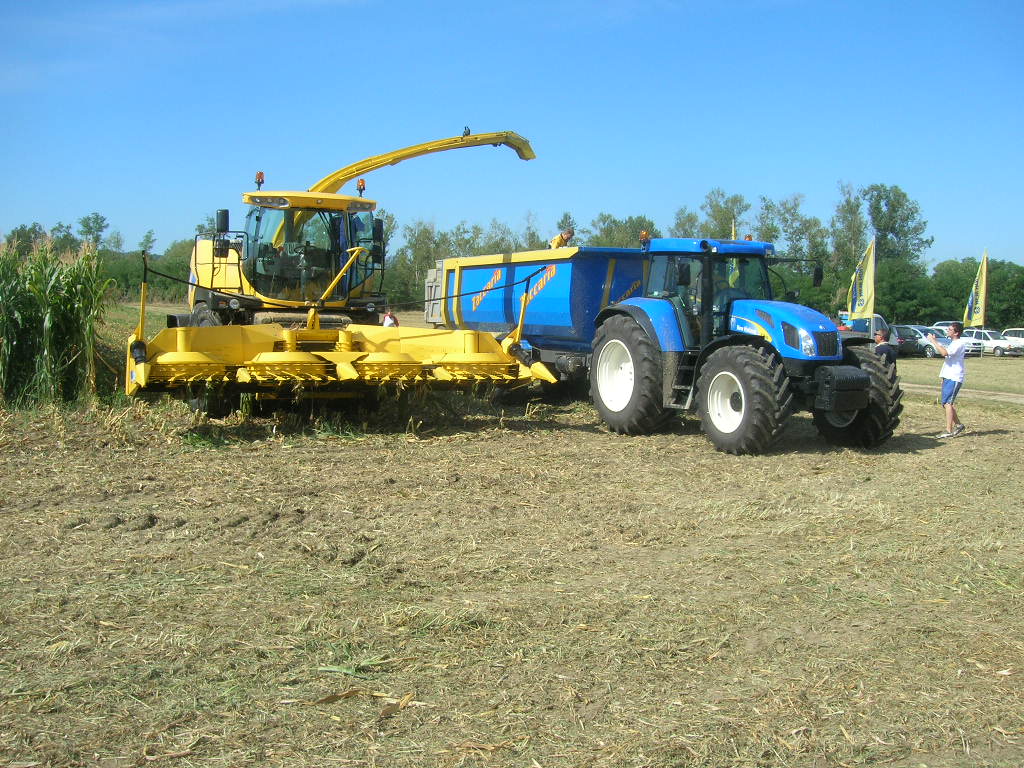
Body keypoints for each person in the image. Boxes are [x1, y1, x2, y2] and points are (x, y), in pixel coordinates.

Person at [928, 321, 967, 438]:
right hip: (949, 376)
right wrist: (943, 377)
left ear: (956, 333)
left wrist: (933, 341)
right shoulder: (953, 343)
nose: (947, 331)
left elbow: (944, 353)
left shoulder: (958, 343)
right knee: (946, 403)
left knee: (948, 403)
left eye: (950, 329)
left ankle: (948, 430)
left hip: (954, 377)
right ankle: (959, 425)